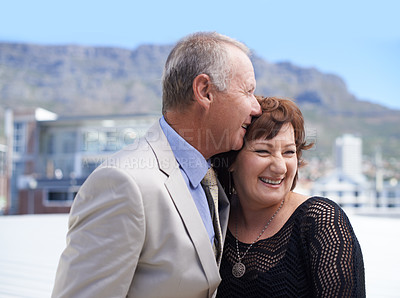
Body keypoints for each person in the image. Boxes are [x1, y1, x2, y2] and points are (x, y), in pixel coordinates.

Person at [51, 32, 261, 298]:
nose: (256, 108)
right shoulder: (123, 183)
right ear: (205, 91)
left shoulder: (217, 174)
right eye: (248, 91)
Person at [213, 96, 365, 297]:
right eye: (263, 151)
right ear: (231, 158)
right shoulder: (214, 216)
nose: (279, 167)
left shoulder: (322, 222)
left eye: (288, 152)